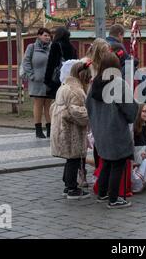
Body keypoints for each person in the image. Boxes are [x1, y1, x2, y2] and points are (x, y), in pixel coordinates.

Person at [86, 52, 138, 209]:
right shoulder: (118, 84)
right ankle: (114, 199)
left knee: (106, 162)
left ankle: (102, 193)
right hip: (116, 130)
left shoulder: (94, 84)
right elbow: (130, 109)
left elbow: (88, 106)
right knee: (117, 164)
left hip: (100, 131)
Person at [50, 61, 92, 200]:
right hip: (70, 131)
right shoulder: (76, 91)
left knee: (70, 158)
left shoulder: (65, 86)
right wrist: (90, 115)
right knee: (74, 158)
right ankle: (72, 188)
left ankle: (68, 185)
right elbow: (77, 112)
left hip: (62, 128)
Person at [21, 28, 53, 138]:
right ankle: (38, 130)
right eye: (45, 35)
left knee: (48, 105)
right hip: (37, 81)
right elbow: (26, 62)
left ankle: (50, 129)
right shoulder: (32, 47)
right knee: (38, 104)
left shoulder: (51, 48)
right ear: (39, 36)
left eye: (49, 36)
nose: (47, 37)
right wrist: (32, 75)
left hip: (49, 81)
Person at [44, 26, 78, 99]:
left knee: (58, 101)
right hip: (69, 78)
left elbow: (51, 63)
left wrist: (47, 80)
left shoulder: (55, 45)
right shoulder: (72, 47)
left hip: (57, 79)